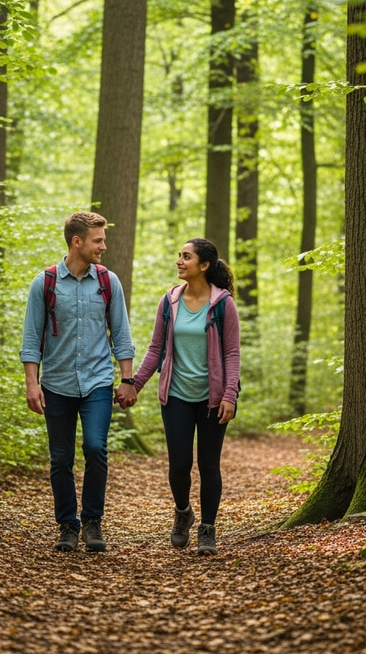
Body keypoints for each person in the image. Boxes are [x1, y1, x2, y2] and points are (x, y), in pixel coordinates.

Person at [20, 211, 136, 553]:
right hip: (56, 384)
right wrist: (32, 383)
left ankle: (92, 521)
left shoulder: (108, 281)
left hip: (97, 382)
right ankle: (68, 525)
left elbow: (122, 334)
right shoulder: (45, 283)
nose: (103, 246)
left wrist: (127, 379)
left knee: (96, 448)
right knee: (61, 458)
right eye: (98, 240)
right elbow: (31, 338)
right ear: (77, 241)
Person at [127, 237, 240, 555]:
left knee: (208, 464)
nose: (179, 260)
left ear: (204, 265)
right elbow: (155, 349)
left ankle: (208, 529)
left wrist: (230, 395)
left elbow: (232, 354)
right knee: (179, 464)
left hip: (213, 398)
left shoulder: (223, 304)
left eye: (186, 256)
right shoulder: (170, 301)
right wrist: (135, 384)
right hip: (176, 394)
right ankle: (182, 512)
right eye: (179, 255)